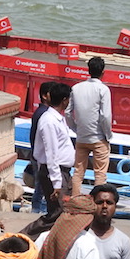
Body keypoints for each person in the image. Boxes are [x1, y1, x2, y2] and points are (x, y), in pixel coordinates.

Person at [67, 56, 113, 196]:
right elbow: (105, 116)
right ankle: (97, 203)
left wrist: (76, 129)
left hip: (81, 137)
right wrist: (108, 135)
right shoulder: (103, 90)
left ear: (88, 70)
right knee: (100, 174)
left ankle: (75, 200)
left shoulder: (75, 88)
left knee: (78, 172)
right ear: (103, 72)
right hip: (99, 138)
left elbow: (68, 113)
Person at [33, 82, 74, 224]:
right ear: (64, 100)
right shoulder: (49, 121)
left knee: (63, 213)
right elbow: (51, 154)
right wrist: (56, 183)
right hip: (56, 173)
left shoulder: (57, 119)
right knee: (58, 215)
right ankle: (27, 237)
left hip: (63, 172)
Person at [26, 81, 56, 214]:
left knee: (41, 185)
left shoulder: (41, 112)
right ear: (45, 96)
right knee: (41, 185)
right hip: (40, 155)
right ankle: (36, 209)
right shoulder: (43, 114)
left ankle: (37, 208)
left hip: (37, 154)